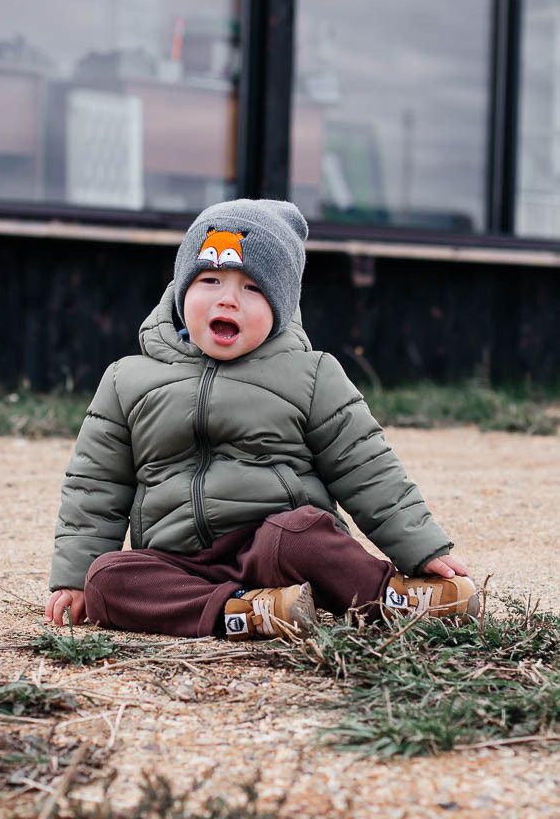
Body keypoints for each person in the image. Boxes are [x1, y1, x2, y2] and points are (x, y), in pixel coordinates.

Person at [45, 199, 478, 640]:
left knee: (305, 532)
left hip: (276, 548)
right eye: (209, 280)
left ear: (280, 307)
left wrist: (421, 548)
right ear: (181, 290)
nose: (228, 299)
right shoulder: (126, 380)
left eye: (253, 288)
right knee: (107, 578)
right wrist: (74, 577)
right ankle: (244, 612)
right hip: (180, 562)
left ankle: (389, 598)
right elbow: (95, 484)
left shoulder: (311, 375)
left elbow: (366, 466)